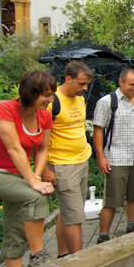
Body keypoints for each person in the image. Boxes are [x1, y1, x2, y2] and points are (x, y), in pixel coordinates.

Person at [0, 70, 60, 267]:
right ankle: (38, 255)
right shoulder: (5, 109)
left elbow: (42, 149)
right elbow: (14, 148)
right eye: (46, 95)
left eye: (52, 95)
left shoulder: (44, 115)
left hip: (20, 176)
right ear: (30, 93)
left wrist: (37, 176)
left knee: (15, 227)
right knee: (35, 198)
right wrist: (33, 182)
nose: (51, 100)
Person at [93, 68, 134, 243]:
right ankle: (103, 236)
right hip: (116, 158)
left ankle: (132, 227)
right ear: (121, 83)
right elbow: (98, 130)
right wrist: (101, 157)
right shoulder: (107, 102)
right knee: (112, 200)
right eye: (131, 84)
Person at [42, 61, 94, 256]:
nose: (85, 88)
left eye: (87, 84)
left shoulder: (79, 98)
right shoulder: (52, 102)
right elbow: (40, 139)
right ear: (68, 79)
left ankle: (63, 254)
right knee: (75, 217)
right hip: (62, 165)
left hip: (81, 161)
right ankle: (79, 263)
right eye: (81, 84)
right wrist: (46, 170)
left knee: (68, 211)